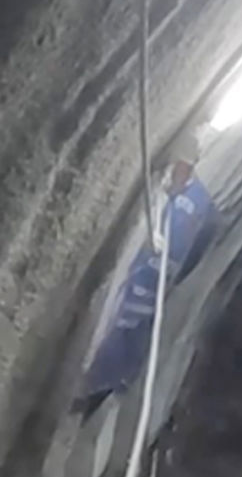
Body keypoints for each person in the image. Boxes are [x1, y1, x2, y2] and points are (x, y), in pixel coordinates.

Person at [71, 155, 220, 420]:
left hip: (151, 278)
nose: (169, 180)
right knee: (132, 330)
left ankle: (96, 388)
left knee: (125, 326)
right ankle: (106, 386)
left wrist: (160, 264)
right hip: (155, 280)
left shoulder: (192, 204)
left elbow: (186, 239)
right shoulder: (199, 202)